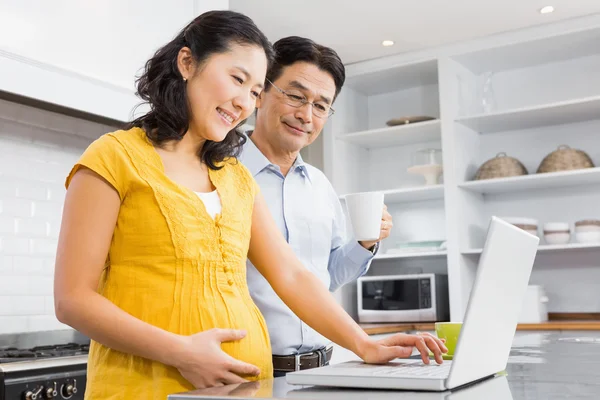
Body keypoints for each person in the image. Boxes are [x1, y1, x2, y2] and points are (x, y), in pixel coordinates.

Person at [54, 10, 446, 400]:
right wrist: (182, 352)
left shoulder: (234, 177)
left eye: (255, 91)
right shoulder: (113, 157)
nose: (244, 102)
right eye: (237, 79)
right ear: (187, 62)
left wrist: (365, 344)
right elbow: (73, 300)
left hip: (246, 389)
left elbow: (291, 276)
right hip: (145, 387)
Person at [238, 36, 394, 376]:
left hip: (321, 368)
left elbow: (326, 277)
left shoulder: (320, 186)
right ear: (260, 93)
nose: (306, 115)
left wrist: (365, 244)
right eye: (295, 96)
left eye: (321, 106)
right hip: (250, 371)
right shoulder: (222, 172)